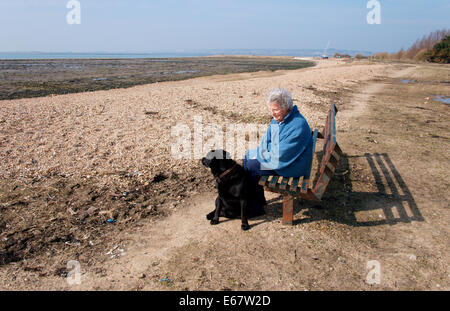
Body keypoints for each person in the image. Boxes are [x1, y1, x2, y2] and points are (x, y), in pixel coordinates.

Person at [243, 88, 313, 216]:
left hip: (293, 165)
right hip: (280, 157)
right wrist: (260, 153)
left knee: (252, 166)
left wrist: (260, 155)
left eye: (275, 110)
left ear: (286, 107)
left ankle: (255, 207)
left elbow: (280, 156)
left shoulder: (298, 125)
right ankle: (258, 199)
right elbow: (266, 140)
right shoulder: (279, 119)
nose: (272, 113)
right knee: (247, 157)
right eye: (270, 109)